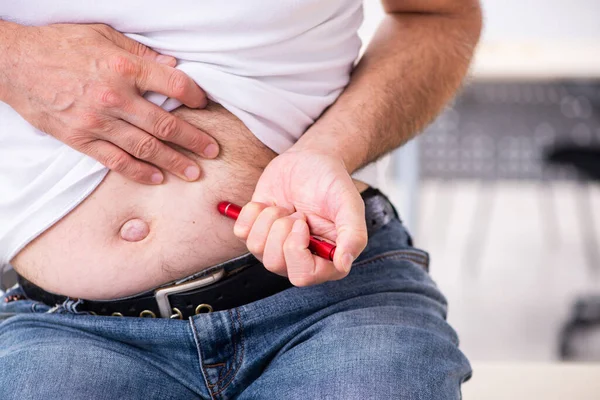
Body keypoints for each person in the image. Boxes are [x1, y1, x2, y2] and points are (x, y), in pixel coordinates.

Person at [0, 0, 481, 399]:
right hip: (65, 326)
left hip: (329, 304)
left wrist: (329, 150)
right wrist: (12, 56)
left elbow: (438, 15)